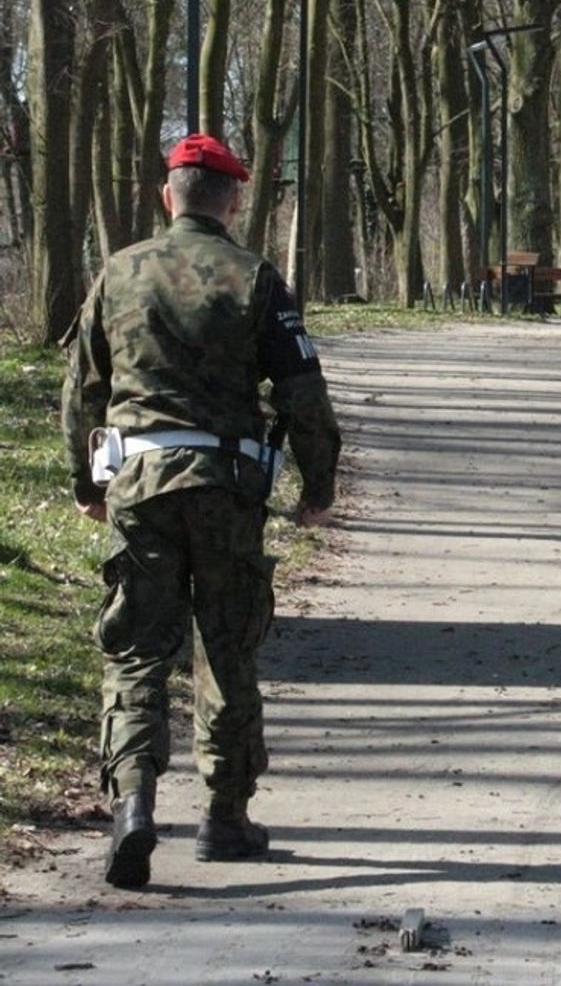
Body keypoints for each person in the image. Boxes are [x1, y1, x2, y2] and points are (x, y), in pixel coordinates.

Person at [61, 133, 341, 889]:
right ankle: (225, 815)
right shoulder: (257, 279)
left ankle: (133, 805)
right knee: (227, 645)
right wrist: (320, 483)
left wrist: (86, 484)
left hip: (140, 484)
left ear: (167, 196)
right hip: (224, 485)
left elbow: (82, 388)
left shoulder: (117, 274)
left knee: (136, 649)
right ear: (234, 199)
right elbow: (302, 392)